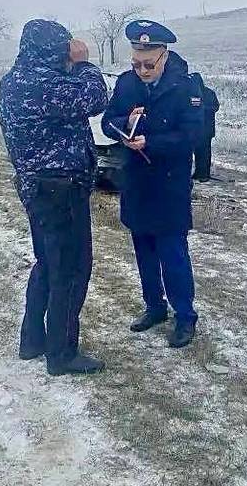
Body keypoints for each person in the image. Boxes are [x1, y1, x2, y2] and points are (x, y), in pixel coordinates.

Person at [0, 19, 109, 376]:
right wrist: (85, 62)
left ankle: (32, 339)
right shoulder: (46, 84)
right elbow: (96, 97)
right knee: (71, 270)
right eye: (62, 48)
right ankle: (61, 353)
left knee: (47, 263)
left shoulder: (13, 81)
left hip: (36, 188)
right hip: (61, 189)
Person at [101, 19, 204, 348]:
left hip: (169, 184)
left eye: (148, 64)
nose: (141, 70)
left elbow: (193, 136)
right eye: (136, 63)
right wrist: (123, 131)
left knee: (172, 253)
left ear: (164, 56)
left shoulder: (186, 86)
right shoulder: (127, 83)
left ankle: (185, 316)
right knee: (143, 251)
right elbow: (107, 121)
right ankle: (154, 306)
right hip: (136, 182)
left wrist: (151, 142)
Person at [190, 72, 220, 182]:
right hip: (204, 128)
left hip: (202, 128)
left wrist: (203, 109)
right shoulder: (209, 92)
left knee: (203, 152)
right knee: (201, 152)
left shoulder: (197, 94)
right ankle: (200, 173)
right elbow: (216, 107)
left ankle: (203, 174)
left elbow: (215, 107)